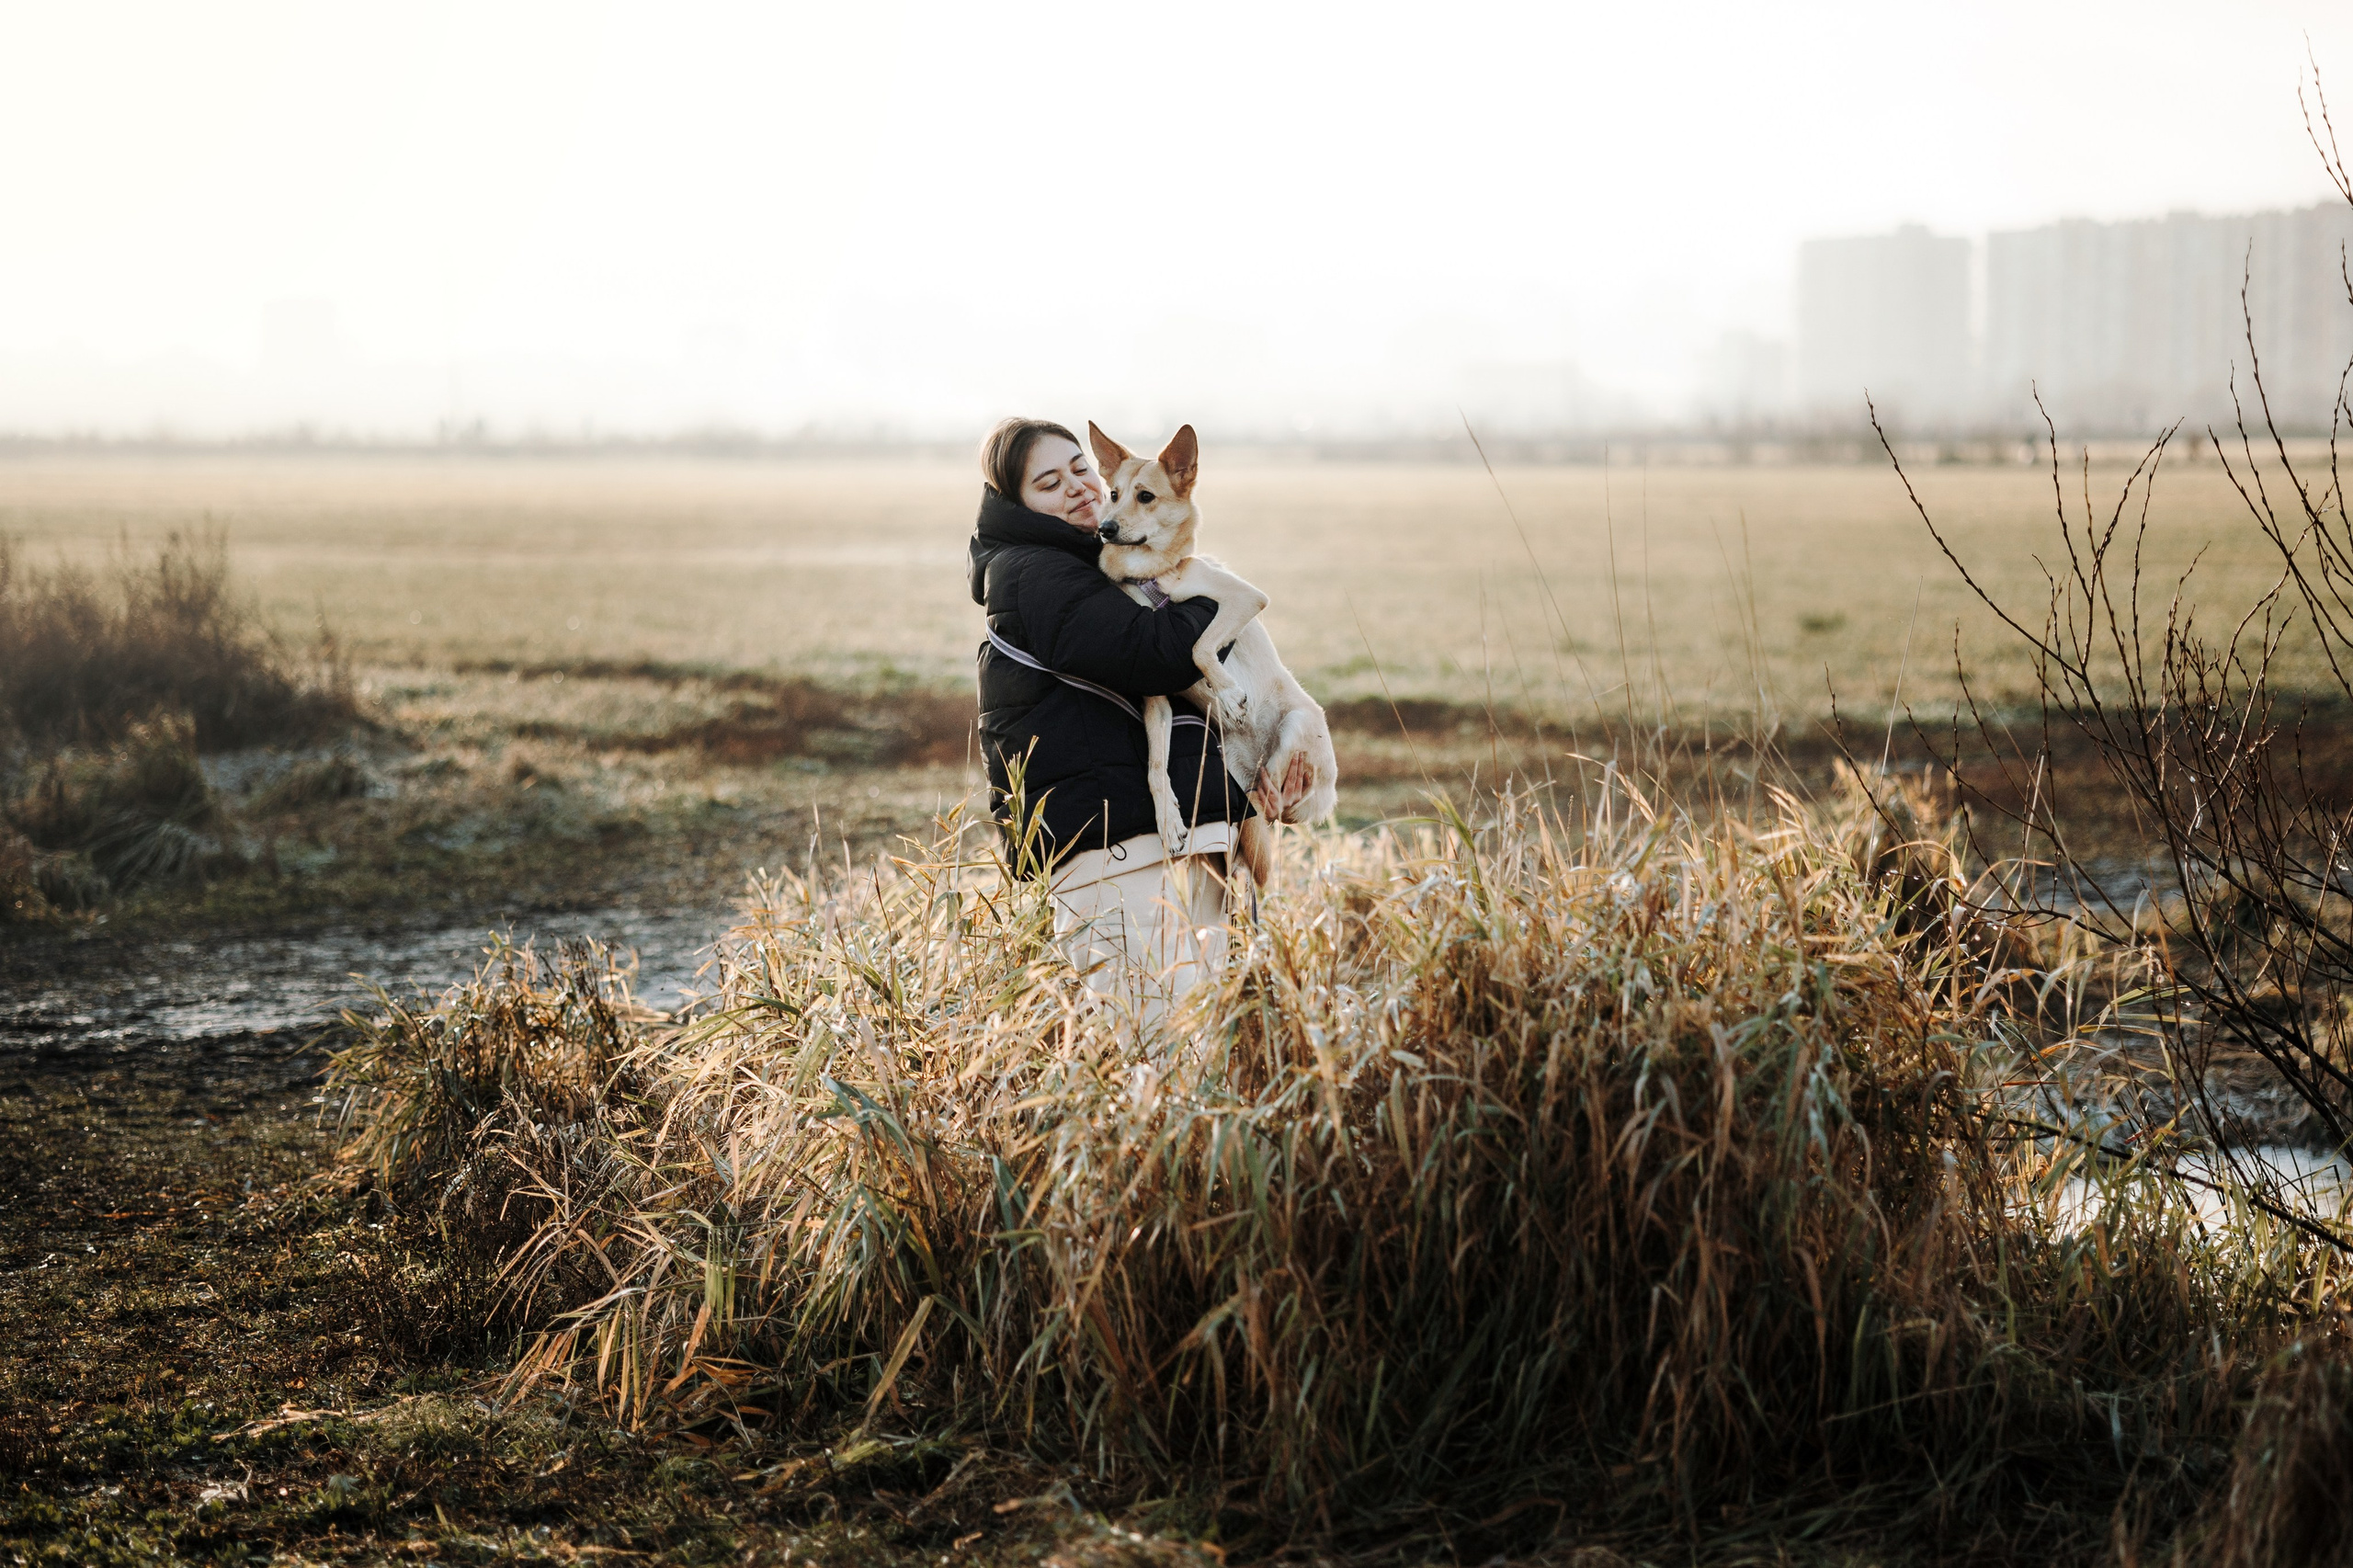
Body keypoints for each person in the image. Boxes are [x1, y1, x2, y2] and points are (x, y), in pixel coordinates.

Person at [967, 416, 1254, 1021]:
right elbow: (1154, 658)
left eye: (1079, 468)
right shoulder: (1035, 573)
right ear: (1016, 502)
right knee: (1162, 1044)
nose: (1077, 486)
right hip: (1104, 849)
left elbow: (1172, 701)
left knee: (1196, 1038)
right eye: (1048, 482)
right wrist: (1209, 591)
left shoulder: (1100, 561)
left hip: (1141, 836)